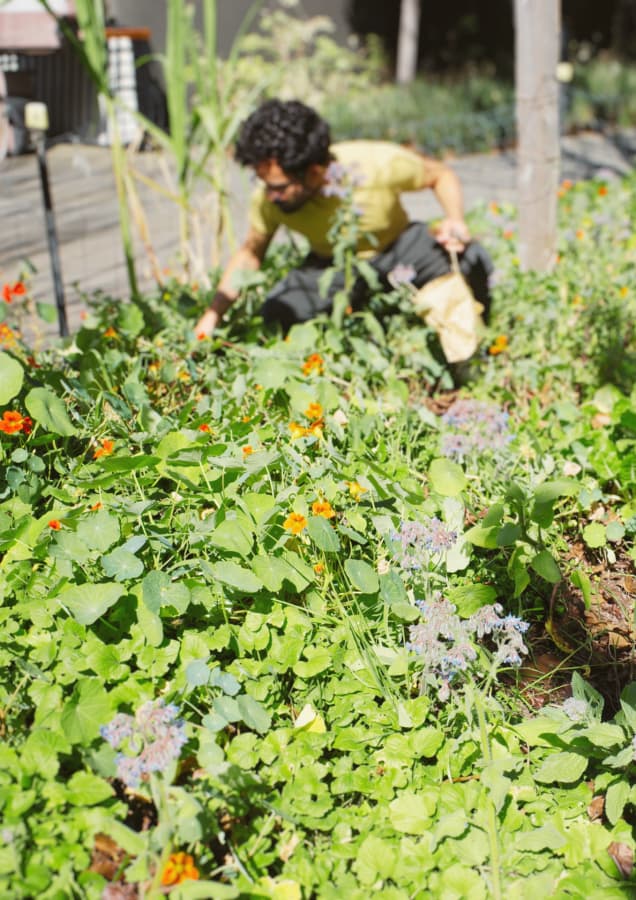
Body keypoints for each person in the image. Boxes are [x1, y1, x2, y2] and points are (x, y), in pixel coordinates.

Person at [194, 98, 493, 339]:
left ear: (314, 172)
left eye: (279, 187)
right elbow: (250, 254)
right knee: (277, 314)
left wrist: (455, 219)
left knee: (469, 262)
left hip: (397, 246)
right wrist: (211, 317)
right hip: (332, 262)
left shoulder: (376, 164)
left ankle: (480, 340)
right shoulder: (269, 198)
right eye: (265, 184)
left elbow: (441, 175)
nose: (271, 195)